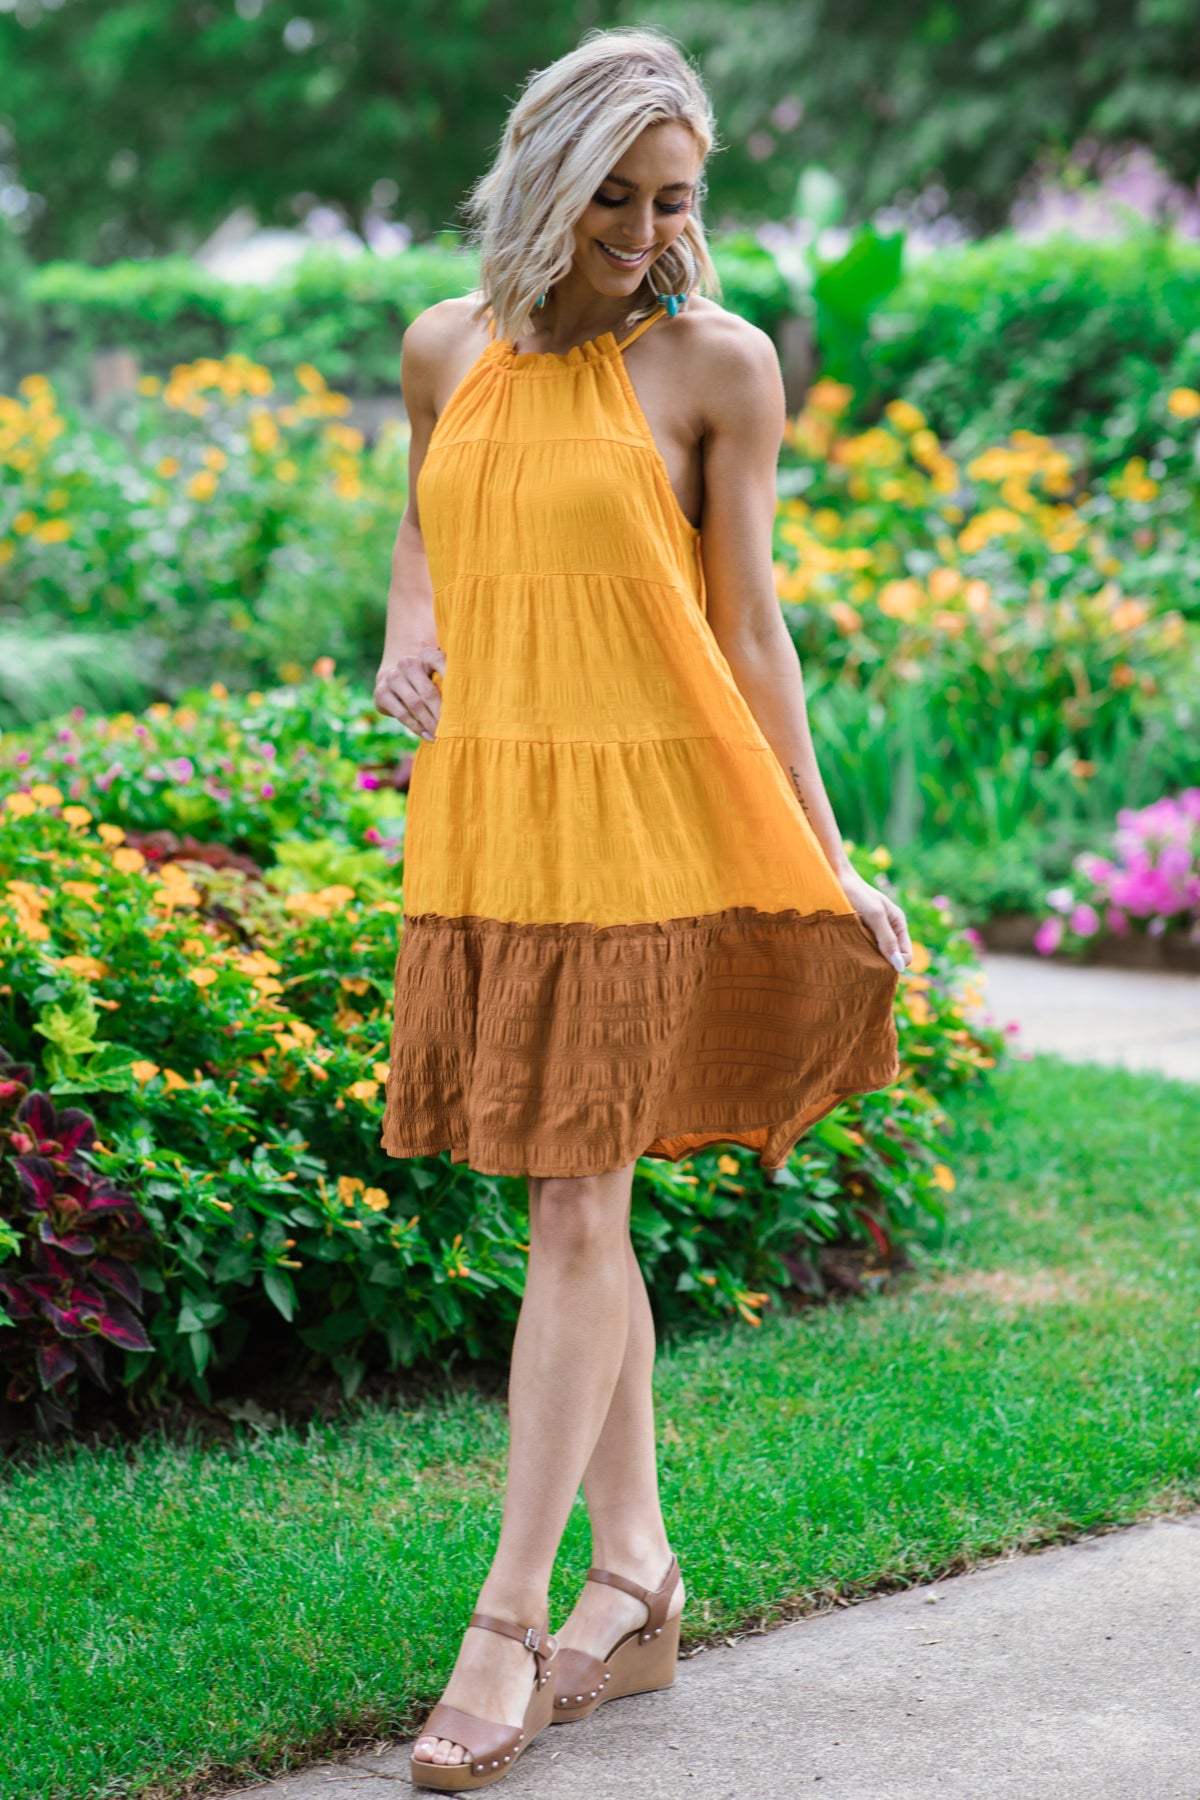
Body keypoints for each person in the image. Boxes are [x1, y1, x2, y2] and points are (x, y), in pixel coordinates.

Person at [372, 25, 910, 1792]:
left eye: (676, 199)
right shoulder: (447, 345)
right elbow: (430, 500)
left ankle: (509, 1628)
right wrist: (407, 620)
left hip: (639, 837)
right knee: (569, 1211)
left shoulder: (714, 368)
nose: (650, 231)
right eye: (616, 197)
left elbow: (754, 631)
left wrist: (825, 859)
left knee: (576, 1217)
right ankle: (640, 1579)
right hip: (489, 829)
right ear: (543, 175)